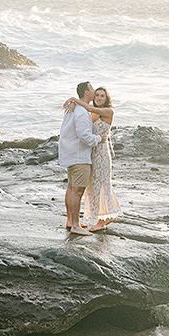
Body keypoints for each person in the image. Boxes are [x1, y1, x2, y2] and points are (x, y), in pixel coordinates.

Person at [65, 85, 119, 232]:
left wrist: (75, 100)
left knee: (102, 185)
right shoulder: (91, 113)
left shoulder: (108, 111)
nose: (99, 98)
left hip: (101, 153)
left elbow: (92, 109)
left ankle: (102, 220)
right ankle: (106, 215)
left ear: (107, 98)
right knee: (93, 185)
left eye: (102, 96)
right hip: (91, 152)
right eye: (97, 96)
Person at [57, 81, 108, 235]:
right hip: (79, 156)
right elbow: (85, 137)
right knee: (78, 191)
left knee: (72, 188)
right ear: (87, 93)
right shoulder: (81, 113)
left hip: (71, 153)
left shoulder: (74, 109)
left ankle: (71, 221)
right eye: (92, 89)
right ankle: (75, 226)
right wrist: (99, 138)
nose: (94, 92)